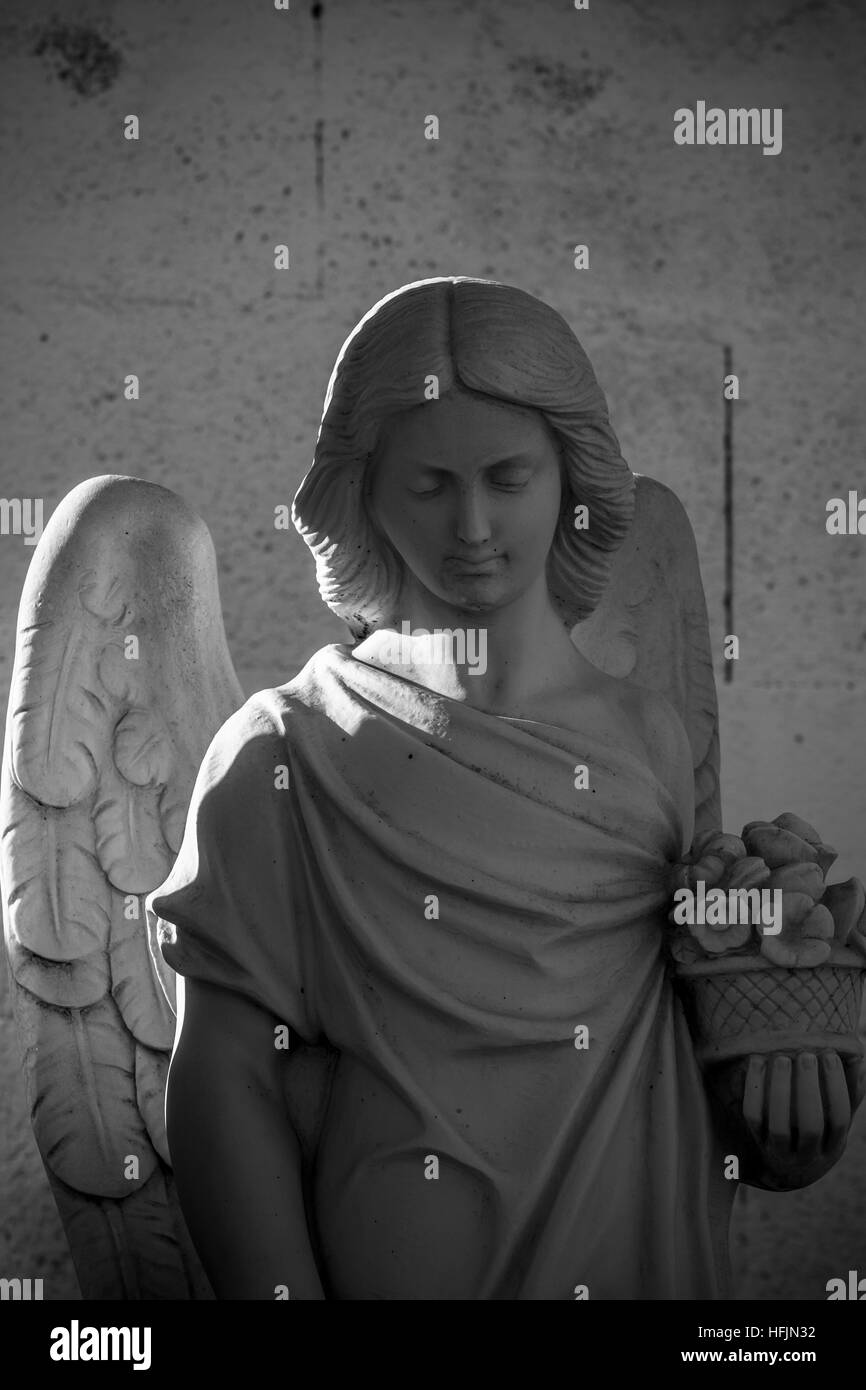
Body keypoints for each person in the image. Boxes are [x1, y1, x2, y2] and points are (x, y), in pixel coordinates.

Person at [146, 278, 741, 1299]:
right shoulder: (286, 749)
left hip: (635, 1248)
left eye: (507, 477)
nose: (471, 525)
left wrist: (786, 1077)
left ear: (570, 479)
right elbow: (224, 1074)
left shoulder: (646, 737)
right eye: (429, 485)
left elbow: (687, 1050)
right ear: (363, 492)